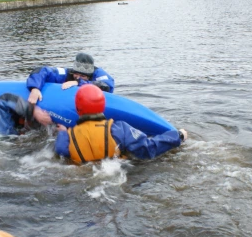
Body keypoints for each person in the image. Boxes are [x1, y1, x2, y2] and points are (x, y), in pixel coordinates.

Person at [54, 85, 187, 163]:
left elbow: (60, 150)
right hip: (118, 172)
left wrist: (63, 132)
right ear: (103, 105)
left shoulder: (68, 136)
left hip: (85, 177)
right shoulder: (118, 128)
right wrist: (178, 136)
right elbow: (147, 149)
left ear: (77, 109)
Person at [27, 53, 114, 104]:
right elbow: (42, 70)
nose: (78, 77)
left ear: (89, 76)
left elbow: (107, 86)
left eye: (83, 76)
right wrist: (35, 88)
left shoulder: (99, 75)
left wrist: (78, 82)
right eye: (76, 74)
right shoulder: (68, 73)